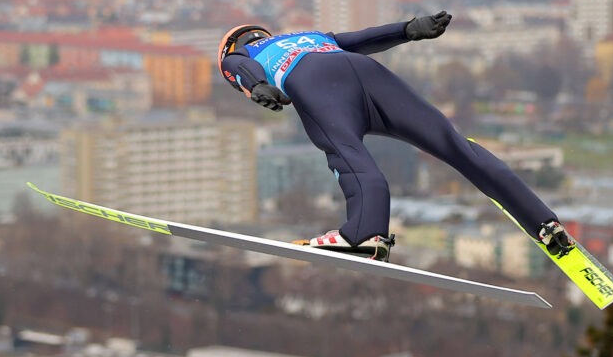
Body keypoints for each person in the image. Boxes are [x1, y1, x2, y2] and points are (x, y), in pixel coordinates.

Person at [217, 15, 572, 262]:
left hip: (316, 83)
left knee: (350, 157)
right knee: (455, 145)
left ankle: (364, 234)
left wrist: (257, 85)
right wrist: (411, 28)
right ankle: (542, 222)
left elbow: (238, 68)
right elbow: (365, 39)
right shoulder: (307, 36)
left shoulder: (242, 55)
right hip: (366, 73)